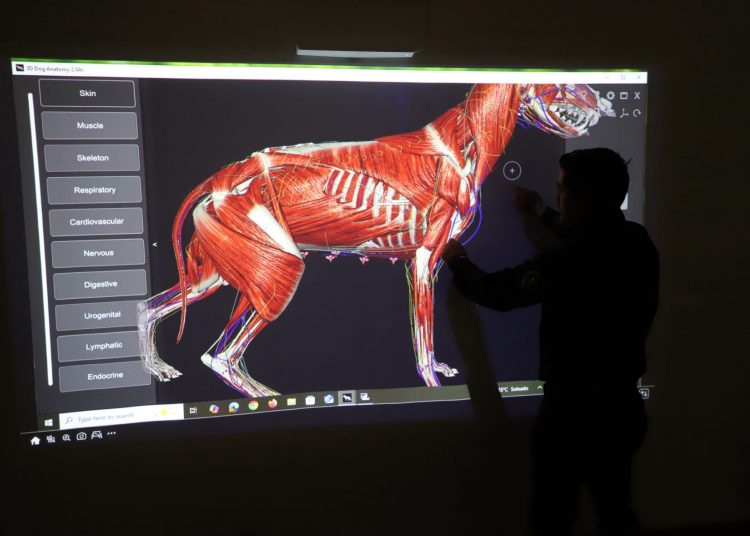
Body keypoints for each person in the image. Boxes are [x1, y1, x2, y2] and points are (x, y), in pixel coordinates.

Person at [442, 148, 659, 535]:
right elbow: (591, 237)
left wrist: (458, 261)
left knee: (552, 515)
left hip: (573, 414)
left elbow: (498, 292)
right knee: (615, 509)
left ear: (584, 198)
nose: (557, 195)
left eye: (561, 190)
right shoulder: (636, 241)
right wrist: (541, 213)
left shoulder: (569, 262)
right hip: (621, 408)